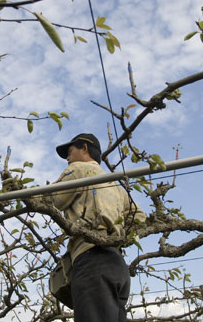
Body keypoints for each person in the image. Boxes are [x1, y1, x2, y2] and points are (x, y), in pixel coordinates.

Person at [52, 133, 146, 322]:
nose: (67, 159)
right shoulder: (115, 185)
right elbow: (140, 218)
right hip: (117, 265)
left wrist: (18, 191)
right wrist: (117, 234)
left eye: (70, 152)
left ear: (84, 149)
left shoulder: (78, 169)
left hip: (91, 259)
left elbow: (53, 199)